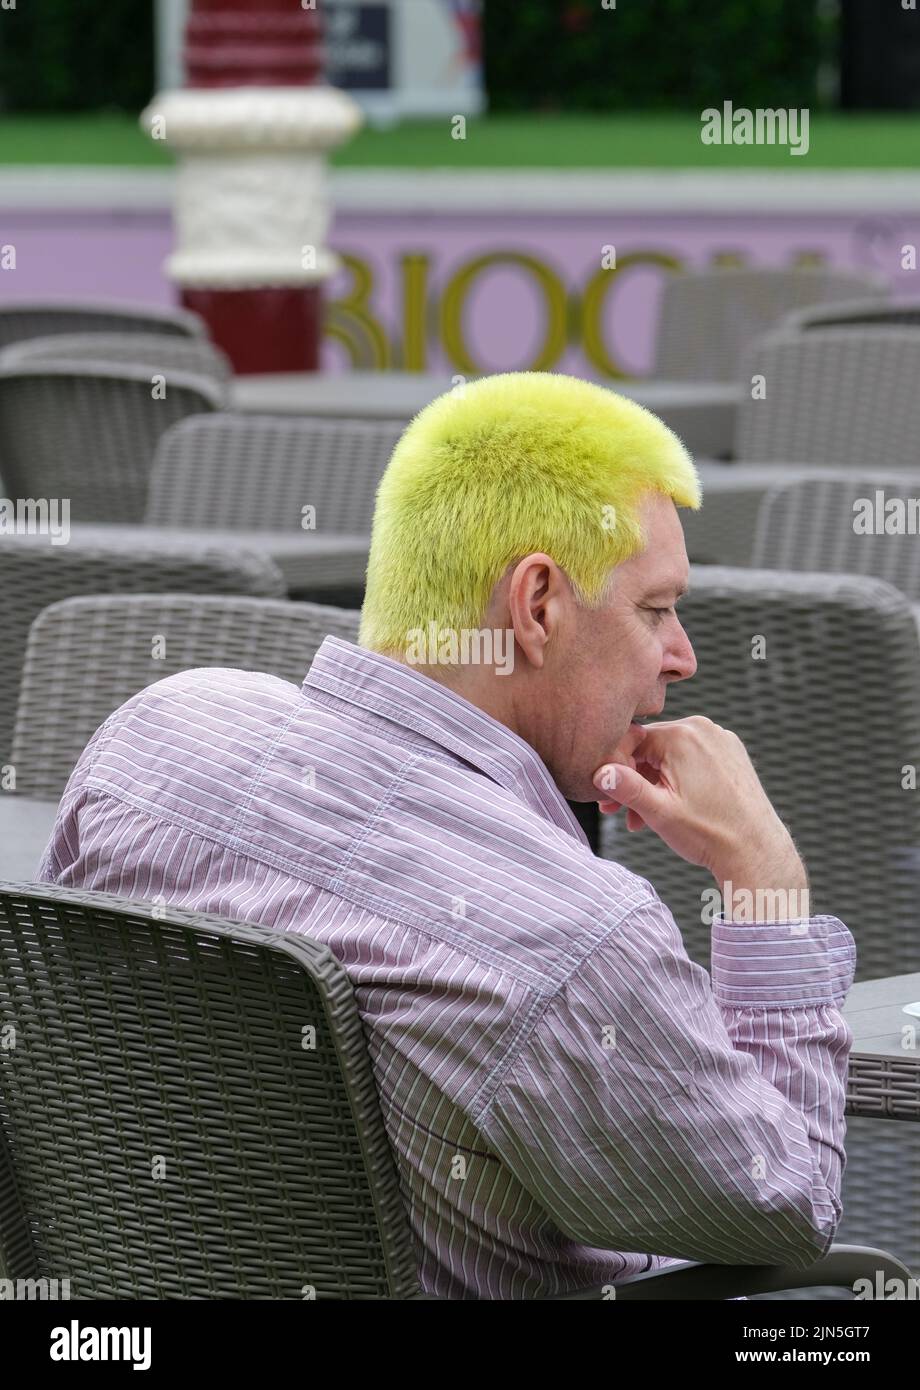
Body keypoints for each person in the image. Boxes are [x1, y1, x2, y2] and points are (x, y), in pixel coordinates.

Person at [39, 372, 855, 1299]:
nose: (684, 654)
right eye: (656, 609)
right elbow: (787, 1209)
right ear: (538, 604)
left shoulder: (151, 743)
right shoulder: (577, 941)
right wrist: (762, 878)